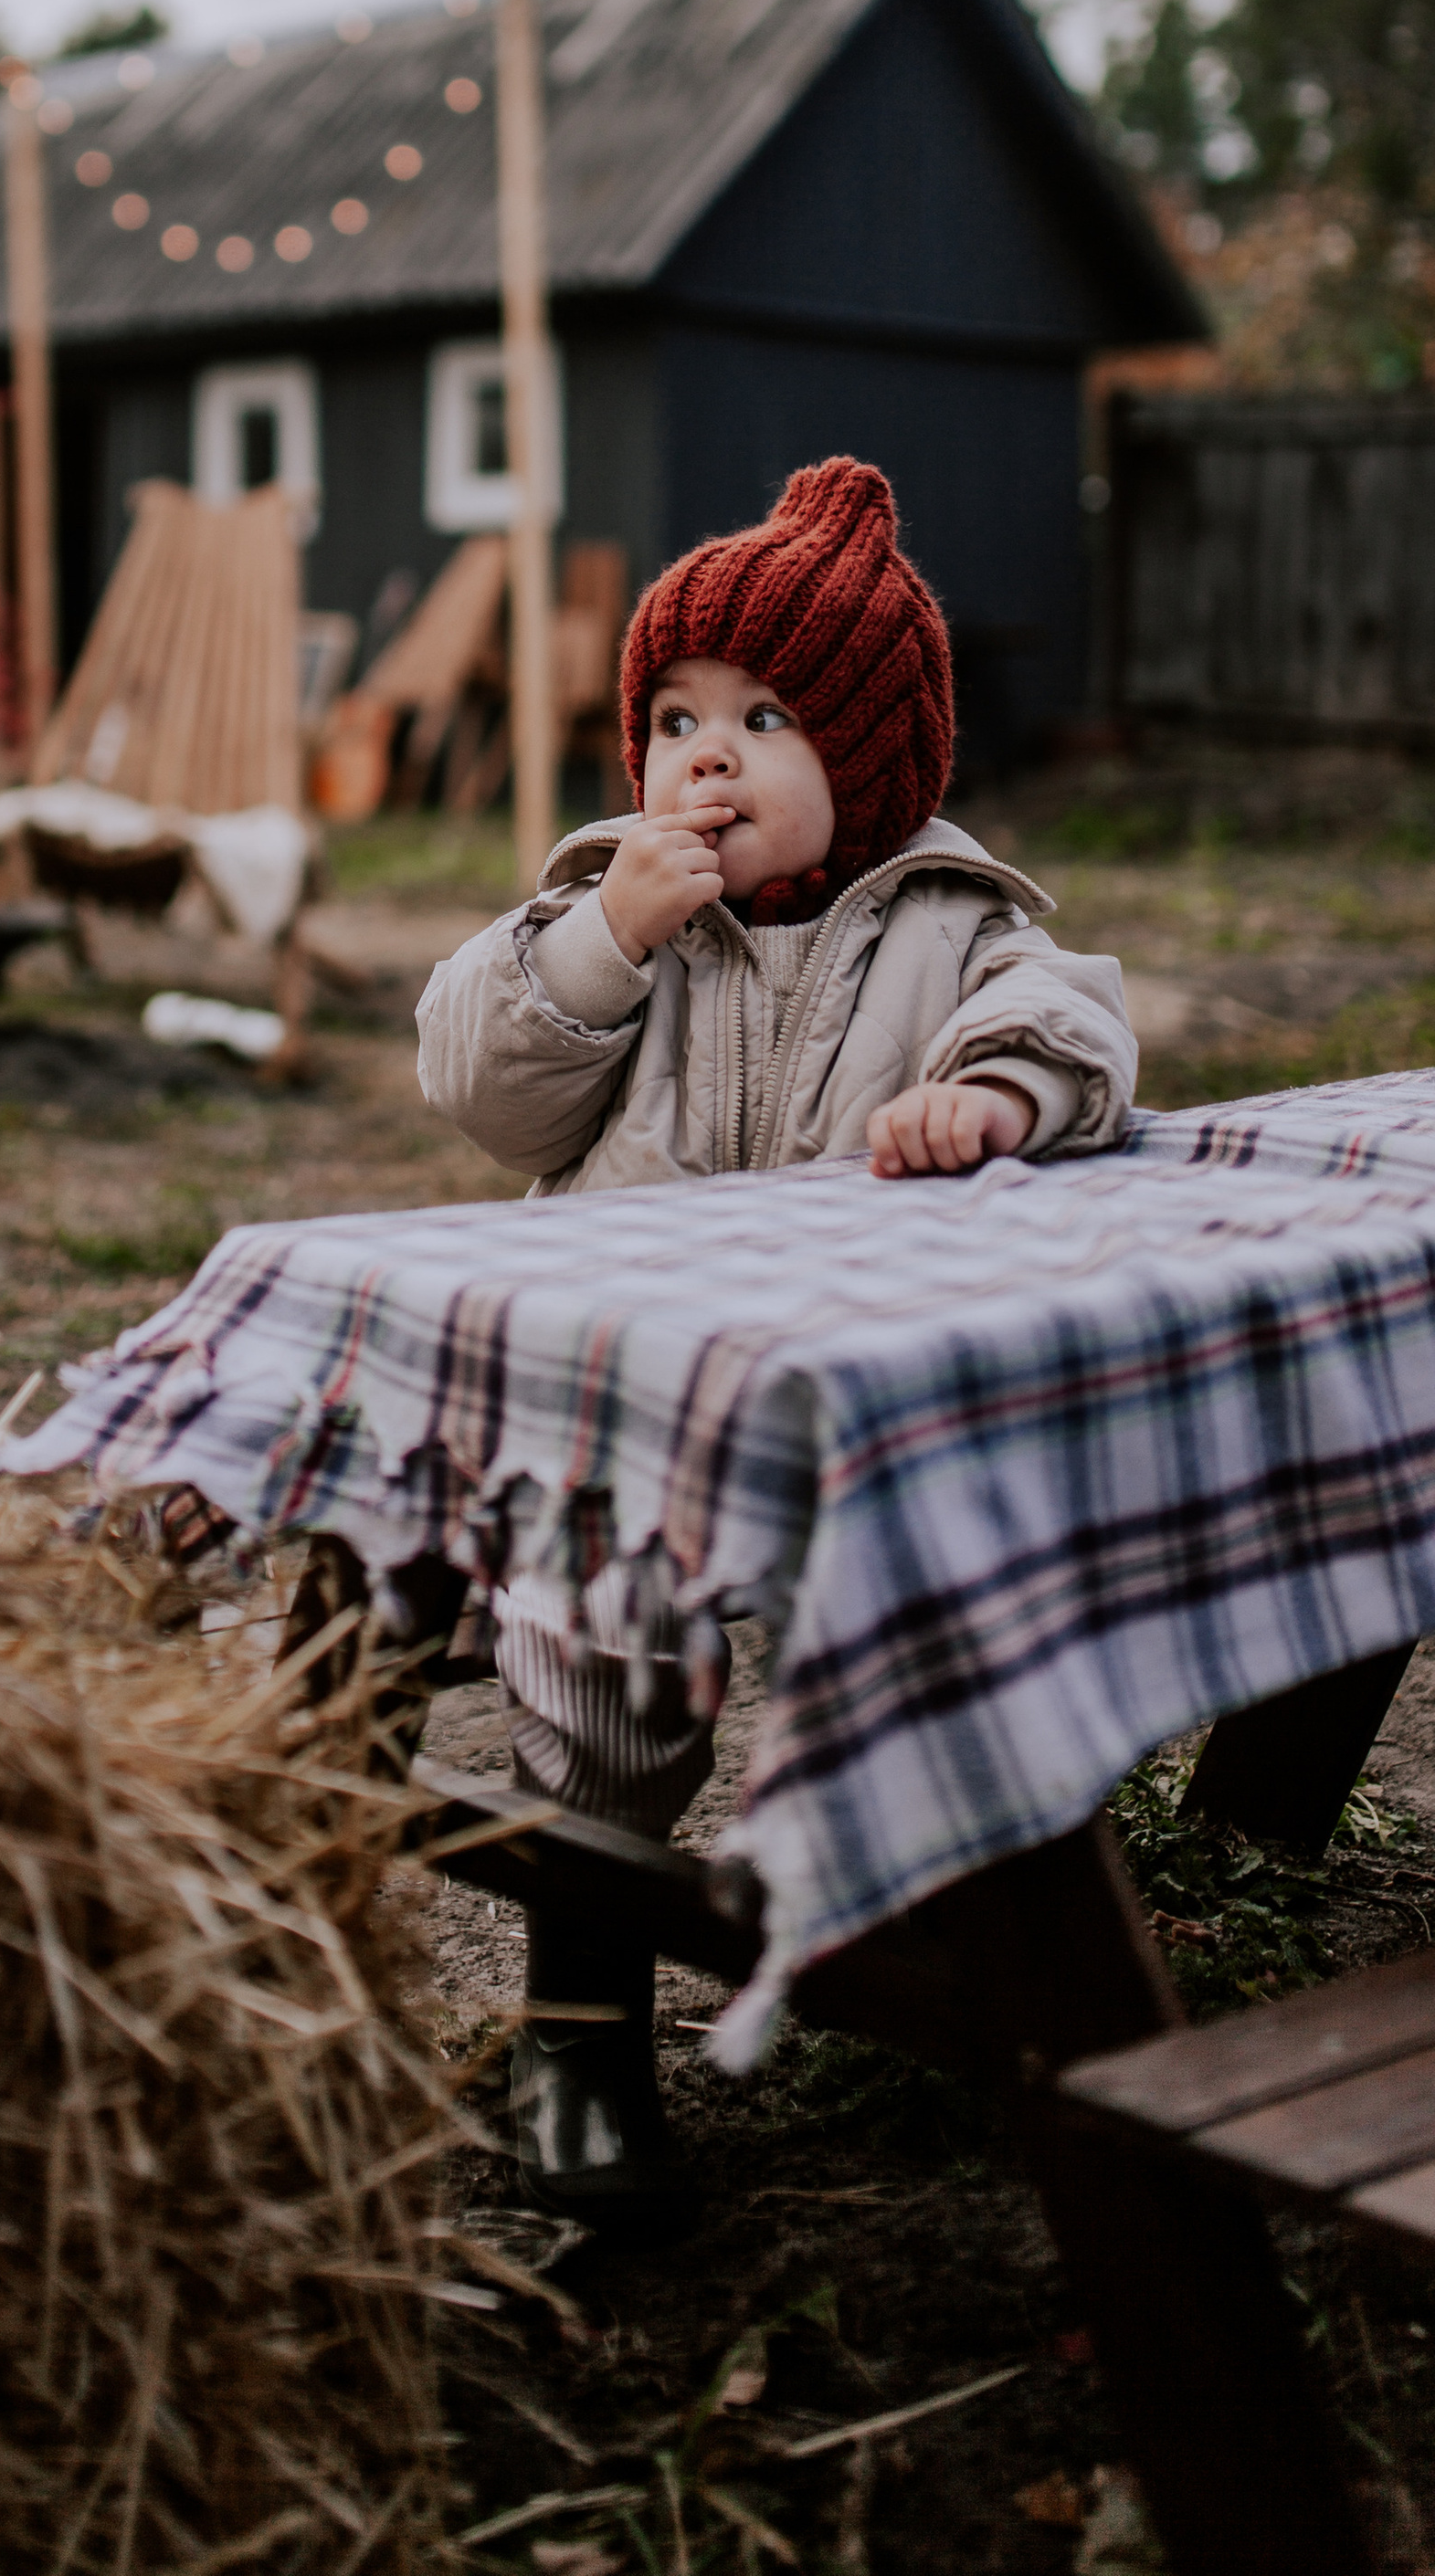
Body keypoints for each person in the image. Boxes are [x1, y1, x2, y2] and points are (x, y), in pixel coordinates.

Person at [415, 457, 1135, 2224]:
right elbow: (476, 1088)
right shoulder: (601, 922)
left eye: (764, 718)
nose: (705, 757)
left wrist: (990, 1097)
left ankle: (934, 1955)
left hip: (851, 1420)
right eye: (672, 718)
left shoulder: (952, 927)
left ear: (875, 764)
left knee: (918, 1661)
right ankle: (581, 2020)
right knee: (595, 1674)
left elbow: (1079, 1019)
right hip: (627, 1406)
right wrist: (594, 947)